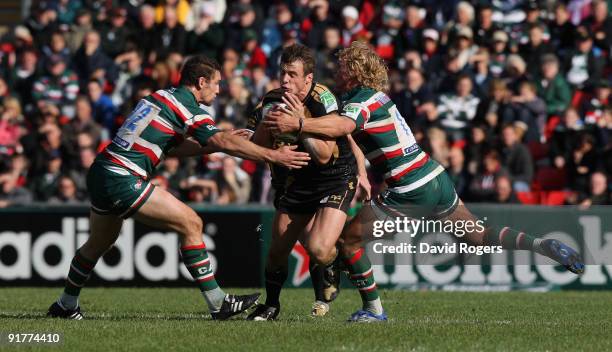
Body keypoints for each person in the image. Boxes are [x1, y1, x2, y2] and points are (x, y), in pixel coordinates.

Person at [265, 41, 585, 322]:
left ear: (355, 71)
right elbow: (346, 132)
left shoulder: (361, 100)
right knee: (477, 235)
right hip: (434, 177)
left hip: (409, 189)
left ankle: (374, 310)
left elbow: (340, 126)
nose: (337, 71)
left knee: (349, 241)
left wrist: (300, 123)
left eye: (343, 66)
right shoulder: (377, 98)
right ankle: (541, 245)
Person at [47, 55, 311, 320]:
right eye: (216, 83)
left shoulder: (160, 96)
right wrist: (274, 156)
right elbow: (221, 140)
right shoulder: (187, 106)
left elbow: (172, 148)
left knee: (98, 243)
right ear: (201, 82)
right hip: (122, 176)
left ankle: (65, 304)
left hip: (103, 170)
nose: (219, 90)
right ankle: (219, 303)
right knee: (191, 223)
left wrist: (219, 143)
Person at [244, 44, 364, 320]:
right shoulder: (271, 100)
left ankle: (335, 258)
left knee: (319, 249)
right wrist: (267, 122)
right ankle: (271, 305)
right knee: (277, 251)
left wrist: (298, 123)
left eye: (291, 75)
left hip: (334, 177)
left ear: (307, 79)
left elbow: (323, 156)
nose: (284, 80)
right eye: (282, 73)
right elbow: (256, 148)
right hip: (296, 182)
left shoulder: (324, 100)